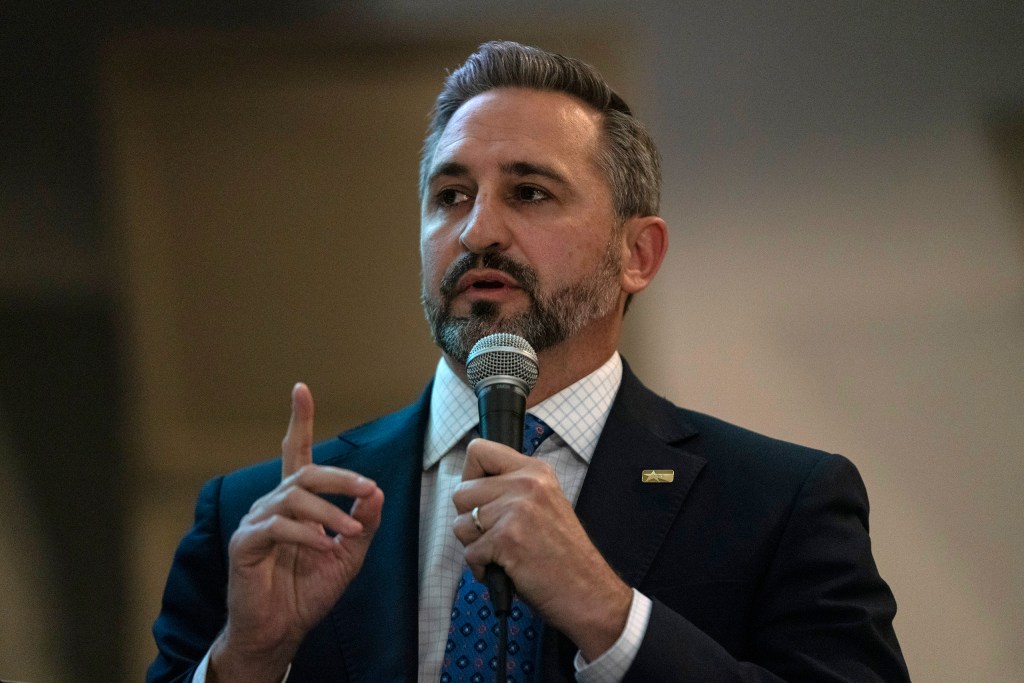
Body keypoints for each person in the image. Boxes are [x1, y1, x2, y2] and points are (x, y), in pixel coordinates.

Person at [148, 41, 910, 682]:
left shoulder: (780, 504)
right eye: (450, 195)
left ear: (637, 254)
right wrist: (246, 659)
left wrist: (611, 616)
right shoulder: (259, 519)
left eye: (531, 192)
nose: (479, 229)